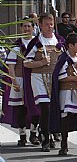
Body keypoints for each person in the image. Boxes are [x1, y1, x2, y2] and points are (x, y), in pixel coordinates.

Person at [23, 13, 65, 152]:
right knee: (45, 108)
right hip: (39, 78)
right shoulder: (35, 43)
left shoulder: (59, 41)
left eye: (51, 23)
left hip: (55, 79)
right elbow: (26, 63)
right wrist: (40, 62)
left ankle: (53, 133)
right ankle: (45, 139)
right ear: (40, 25)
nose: (49, 26)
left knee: (55, 108)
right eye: (46, 24)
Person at [49, 32, 77, 156]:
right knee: (66, 120)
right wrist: (72, 78)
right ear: (70, 45)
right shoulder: (63, 58)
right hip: (66, 93)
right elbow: (59, 76)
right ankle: (64, 146)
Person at [2, 20, 36, 146]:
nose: (27, 28)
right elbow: (10, 66)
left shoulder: (38, 44)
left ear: (33, 28)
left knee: (36, 107)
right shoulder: (16, 46)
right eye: (25, 26)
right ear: (21, 28)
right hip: (20, 80)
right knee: (21, 109)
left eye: (29, 26)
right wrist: (14, 81)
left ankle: (34, 132)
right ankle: (22, 135)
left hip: (34, 80)